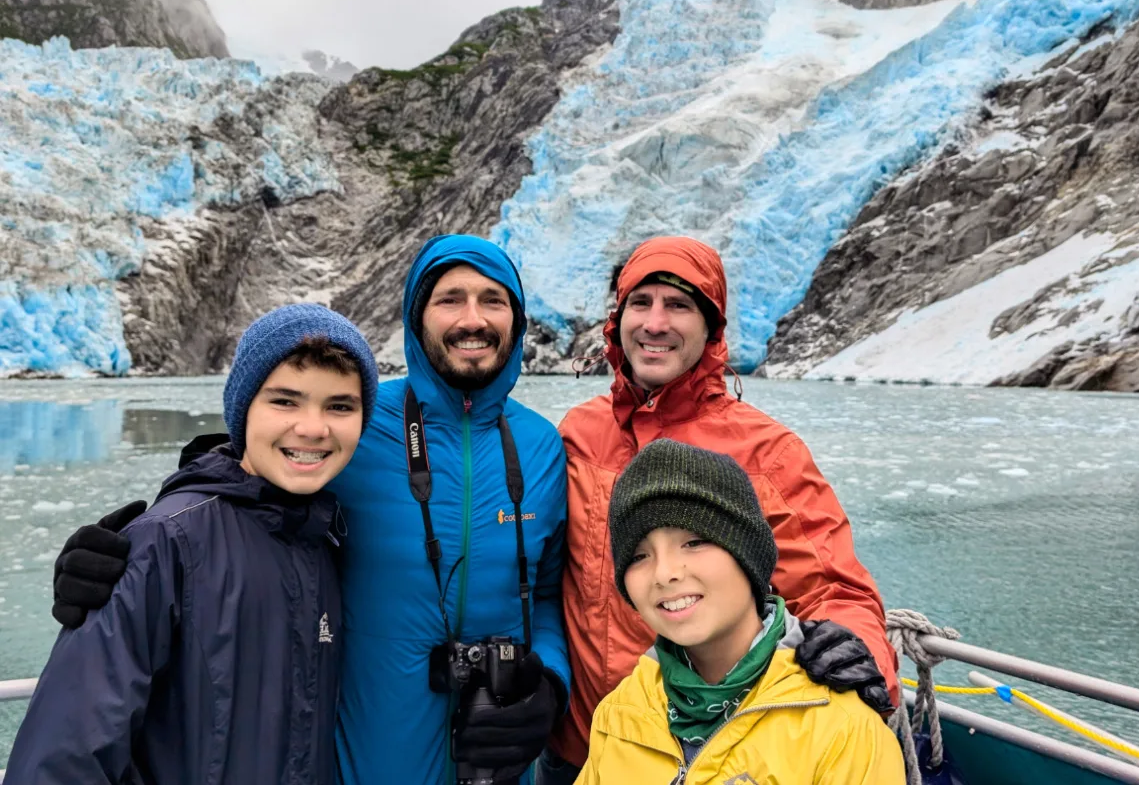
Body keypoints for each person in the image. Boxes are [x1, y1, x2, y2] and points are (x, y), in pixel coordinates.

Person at [46, 235, 570, 785]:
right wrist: (124, 563)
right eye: (449, 298)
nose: (472, 318)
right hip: (356, 762)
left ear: (517, 319)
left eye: (493, 300)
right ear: (416, 317)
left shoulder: (540, 446)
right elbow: (246, 484)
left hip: (497, 766)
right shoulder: (358, 424)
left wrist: (551, 687)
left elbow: (552, 594)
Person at [541, 236, 900, 783]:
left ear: (711, 328)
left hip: (715, 753)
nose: (655, 323)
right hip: (583, 747)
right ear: (616, 321)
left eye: (679, 305)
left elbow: (835, 590)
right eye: (641, 303)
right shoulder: (579, 435)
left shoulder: (767, 452)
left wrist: (861, 651)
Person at [6, 303, 379, 784]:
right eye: (284, 401)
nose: (312, 427)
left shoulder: (324, 538)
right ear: (243, 410)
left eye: (340, 406)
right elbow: (62, 759)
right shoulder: (167, 542)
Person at [577, 438, 905, 784]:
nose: (664, 573)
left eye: (694, 542)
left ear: (748, 556)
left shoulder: (841, 729)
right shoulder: (620, 713)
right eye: (639, 556)